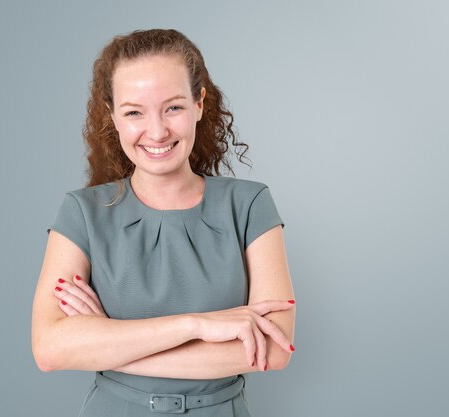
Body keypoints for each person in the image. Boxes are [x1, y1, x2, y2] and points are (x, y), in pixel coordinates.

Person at [31, 28, 296, 416]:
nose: (156, 131)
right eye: (134, 112)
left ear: (199, 103)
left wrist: (109, 345)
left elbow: (273, 349)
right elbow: (49, 348)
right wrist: (195, 325)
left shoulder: (250, 203)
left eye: (172, 107)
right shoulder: (81, 212)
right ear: (112, 116)